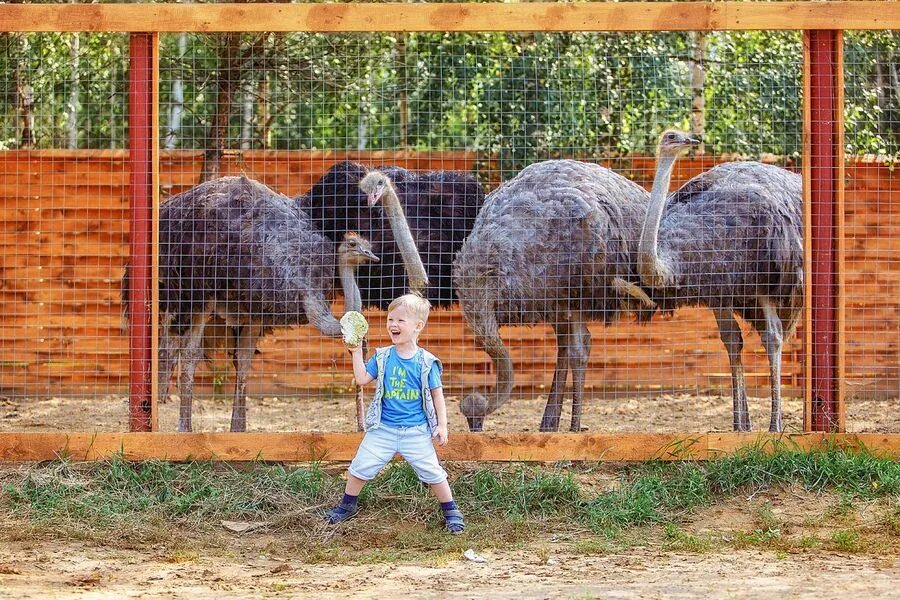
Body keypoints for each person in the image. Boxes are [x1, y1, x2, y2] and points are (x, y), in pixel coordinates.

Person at [324, 293, 465, 534]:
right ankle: (347, 506)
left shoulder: (426, 362)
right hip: (383, 429)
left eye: (400, 320)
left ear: (418, 326)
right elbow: (361, 379)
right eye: (390, 319)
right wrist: (356, 351)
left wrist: (442, 425)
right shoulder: (382, 357)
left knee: (433, 472)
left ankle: (451, 510)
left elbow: (436, 395)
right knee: (360, 467)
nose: (393, 325)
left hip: (416, 432)